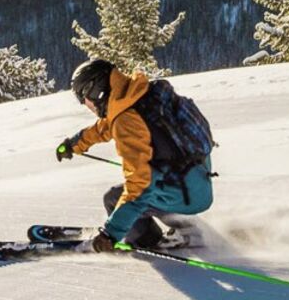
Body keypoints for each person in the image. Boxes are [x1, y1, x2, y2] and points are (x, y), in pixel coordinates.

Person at [57, 58, 213, 253]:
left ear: (95, 90)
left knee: (114, 198)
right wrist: (75, 144)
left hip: (185, 194)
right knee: (149, 183)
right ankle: (185, 226)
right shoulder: (139, 95)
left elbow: (139, 187)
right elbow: (106, 127)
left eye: (83, 97)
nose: (86, 104)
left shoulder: (125, 120)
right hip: (198, 180)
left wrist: (110, 234)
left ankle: (149, 239)